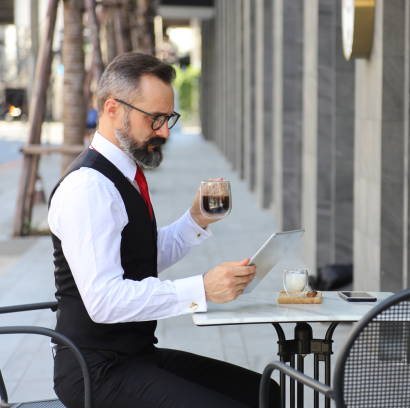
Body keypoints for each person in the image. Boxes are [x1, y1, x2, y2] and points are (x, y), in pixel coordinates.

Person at [48, 52, 280, 408]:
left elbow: (139, 259)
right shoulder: (89, 188)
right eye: (154, 118)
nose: (163, 132)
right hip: (95, 372)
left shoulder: (123, 174)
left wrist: (195, 220)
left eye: (168, 117)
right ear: (112, 109)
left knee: (266, 394)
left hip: (135, 358)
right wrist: (202, 289)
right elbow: (104, 301)